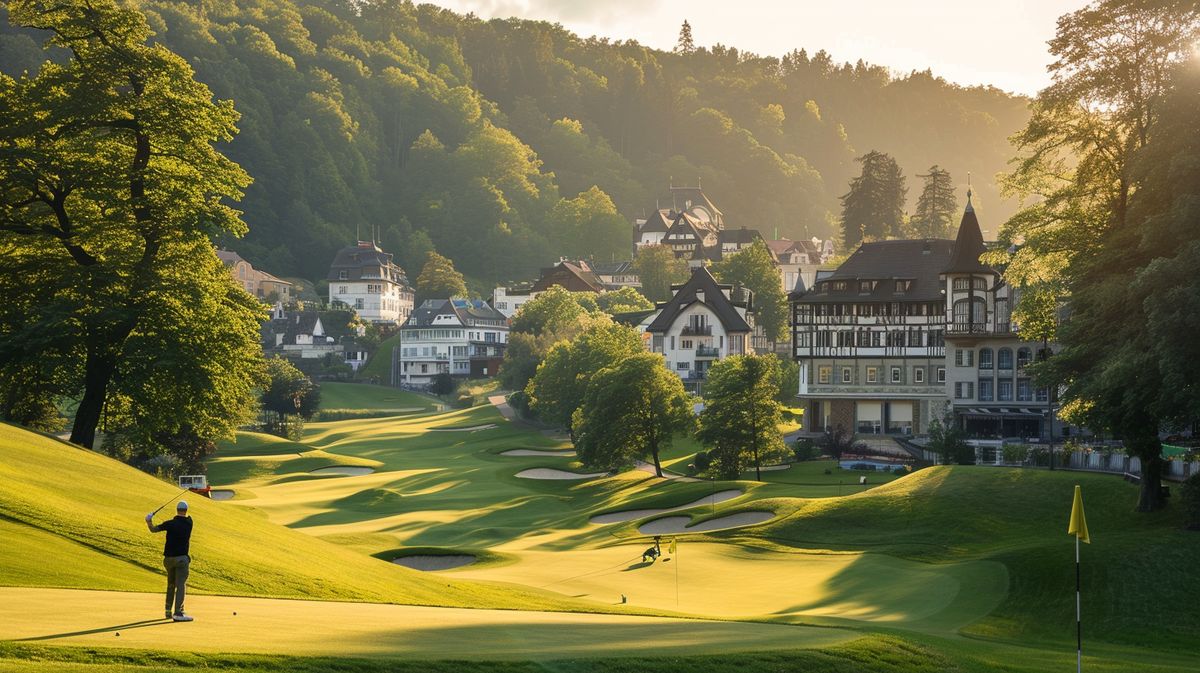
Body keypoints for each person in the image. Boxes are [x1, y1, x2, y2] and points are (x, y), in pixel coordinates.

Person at [145, 501, 194, 622]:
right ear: (186, 510)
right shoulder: (189, 523)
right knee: (181, 585)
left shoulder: (170, 524)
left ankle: (168, 611)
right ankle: (178, 612)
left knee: (171, 584)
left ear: (176, 510)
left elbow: (153, 529)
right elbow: (186, 518)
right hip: (181, 560)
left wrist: (148, 521)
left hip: (168, 560)